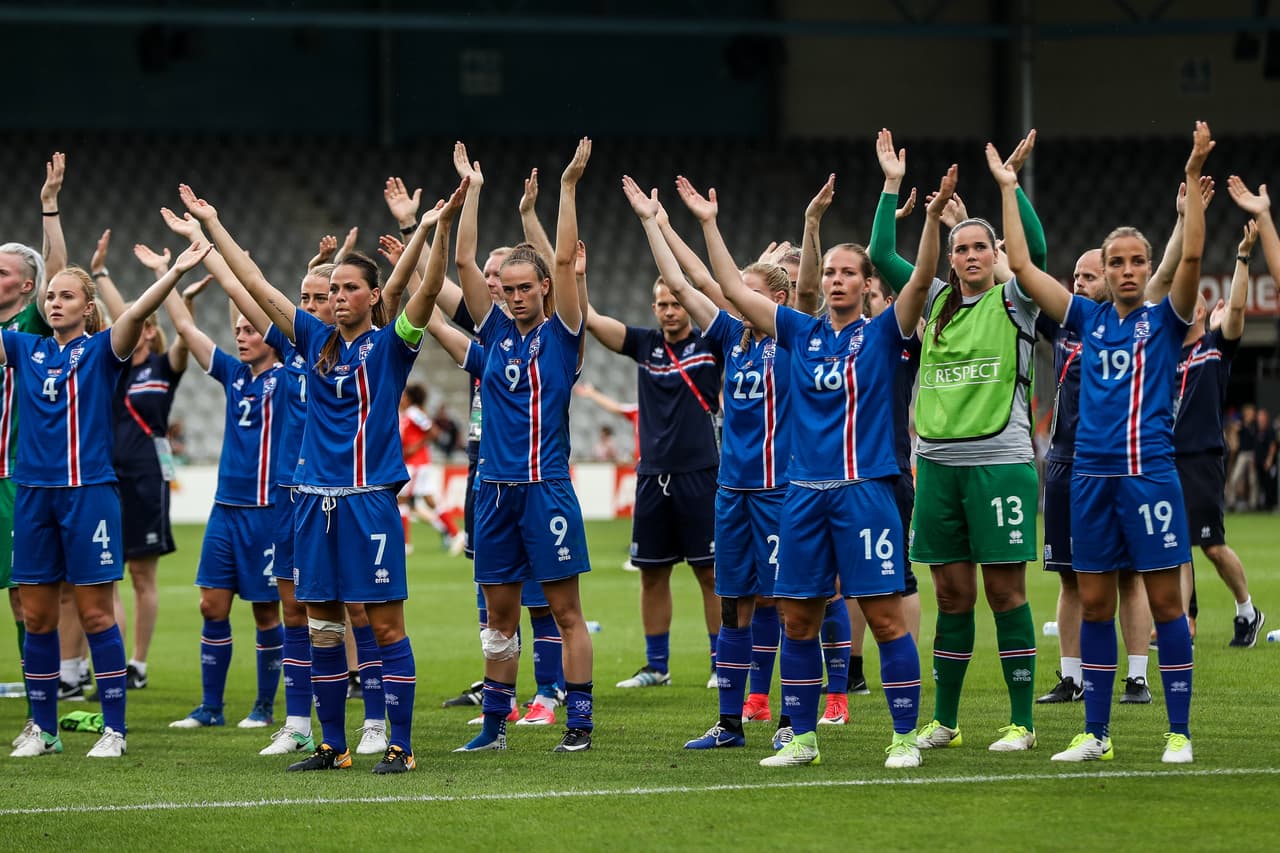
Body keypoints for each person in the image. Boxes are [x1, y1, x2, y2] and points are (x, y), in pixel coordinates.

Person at [179, 175, 463, 774]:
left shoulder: (392, 345)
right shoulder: (312, 341)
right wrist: (212, 224)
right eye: (332, 289)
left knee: (384, 625)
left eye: (349, 287)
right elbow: (256, 286)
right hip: (311, 503)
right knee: (323, 628)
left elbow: (429, 286)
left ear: (373, 295)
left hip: (367, 500)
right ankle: (333, 746)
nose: (337, 297)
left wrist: (434, 231)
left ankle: (399, 745)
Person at [686, 165, 949, 768]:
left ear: (867, 283)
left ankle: (903, 737)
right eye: (829, 271)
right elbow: (731, 289)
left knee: (884, 616)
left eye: (849, 272)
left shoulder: (884, 332)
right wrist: (709, 224)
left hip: (864, 491)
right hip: (802, 495)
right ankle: (801, 737)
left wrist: (923, 215)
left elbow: (922, 279)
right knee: (798, 618)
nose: (836, 279)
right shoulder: (798, 332)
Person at [996, 121, 1212, 764]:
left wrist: (1193, 177)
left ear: (1148, 267)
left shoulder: (1164, 320)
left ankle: (1179, 731)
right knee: (1092, 603)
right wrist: (1007, 188)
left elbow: (1190, 259)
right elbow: (1022, 267)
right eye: (1115, 262)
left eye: (1136, 261)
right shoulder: (1084, 317)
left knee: (1166, 602)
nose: (1125, 270)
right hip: (1089, 478)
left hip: (1149, 477)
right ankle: (1095, 733)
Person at [871, 129, 1043, 754]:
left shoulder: (1016, 301)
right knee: (950, 596)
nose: (970, 256)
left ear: (995, 254)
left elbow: (1034, 252)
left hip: (1000, 466)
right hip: (937, 469)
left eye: (980, 247)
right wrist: (891, 185)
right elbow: (880, 252)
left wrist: (1009, 189)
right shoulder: (935, 301)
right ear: (949, 258)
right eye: (961, 248)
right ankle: (945, 720)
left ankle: (1022, 723)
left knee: (1004, 592)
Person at [7, 239, 211, 758]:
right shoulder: (23, 348)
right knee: (37, 618)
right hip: (32, 497)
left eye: (67, 296)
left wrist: (171, 274)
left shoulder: (102, 349)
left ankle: (114, 731)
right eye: (50, 296)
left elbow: (137, 314)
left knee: (97, 615)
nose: (55, 302)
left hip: (89, 495)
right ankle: (43, 730)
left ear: (87, 308)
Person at [618, 175, 793, 753]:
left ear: (779, 300)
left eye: (747, 291)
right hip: (731, 490)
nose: (735, 298)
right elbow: (685, 281)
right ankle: (730, 723)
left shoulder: (794, 339)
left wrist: (706, 225)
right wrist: (653, 223)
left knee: (785, 605)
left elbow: (713, 281)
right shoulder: (730, 340)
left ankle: (791, 718)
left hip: (777, 490)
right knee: (733, 603)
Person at [452, 139, 595, 754]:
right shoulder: (493, 334)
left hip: (546, 490)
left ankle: (579, 723)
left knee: (565, 613)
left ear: (542, 288)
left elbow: (564, 258)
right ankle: (494, 728)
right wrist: (474, 191)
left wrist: (566, 189)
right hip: (493, 492)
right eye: (506, 288)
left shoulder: (564, 335)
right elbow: (463, 261)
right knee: (498, 620)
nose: (513, 296)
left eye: (523, 288)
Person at [586, 218, 723, 691]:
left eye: (676, 303)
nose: (669, 311)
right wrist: (574, 275)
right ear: (653, 308)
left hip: (701, 473)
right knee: (651, 575)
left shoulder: (711, 343)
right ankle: (656, 667)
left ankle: (720, 663)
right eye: (662, 304)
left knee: (710, 574)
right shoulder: (644, 344)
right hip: (653, 476)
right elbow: (590, 320)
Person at [162, 259, 285, 733]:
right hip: (225, 511)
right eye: (237, 330)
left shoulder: (288, 377)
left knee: (266, 610)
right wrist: (167, 275)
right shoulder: (234, 375)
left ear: (270, 336)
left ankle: (264, 707)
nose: (241, 336)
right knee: (211, 606)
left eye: (250, 330)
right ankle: (210, 708)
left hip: (268, 512)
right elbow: (186, 328)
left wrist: (238, 267)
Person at [1034, 248, 1154, 706]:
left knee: (1128, 577)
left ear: (1109, 278)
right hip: (1064, 465)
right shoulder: (1064, 325)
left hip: (1115, 464)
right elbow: (1021, 278)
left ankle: (1137, 678)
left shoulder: (1133, 327)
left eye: (1088, 276)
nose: (1079, 283)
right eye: (1075, 276)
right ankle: (1072, 678)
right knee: (1069, 577)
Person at [89, 232, 188, 693]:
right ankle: (113, 666)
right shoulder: (112, 364)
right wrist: (100, 273)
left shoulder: (165, 367)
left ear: (151, 330)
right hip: (107, 477)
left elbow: (184, 332)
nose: (134, 327)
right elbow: (123, 315)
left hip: (149, 478)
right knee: (109, 572)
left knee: (142, 575)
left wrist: (165, 275)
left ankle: (138, 663)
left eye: (143, 323)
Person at [1165, 215, 1266, 648]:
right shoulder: (1166, 354)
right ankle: (1181, 625)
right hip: (1166, 458)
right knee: (1176, 545)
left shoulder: (1215, 348)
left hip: (1202, 457)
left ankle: (1248, 610)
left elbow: (1238, 311)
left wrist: (1243, 258)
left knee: (1210, 545)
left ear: (1203, 311)